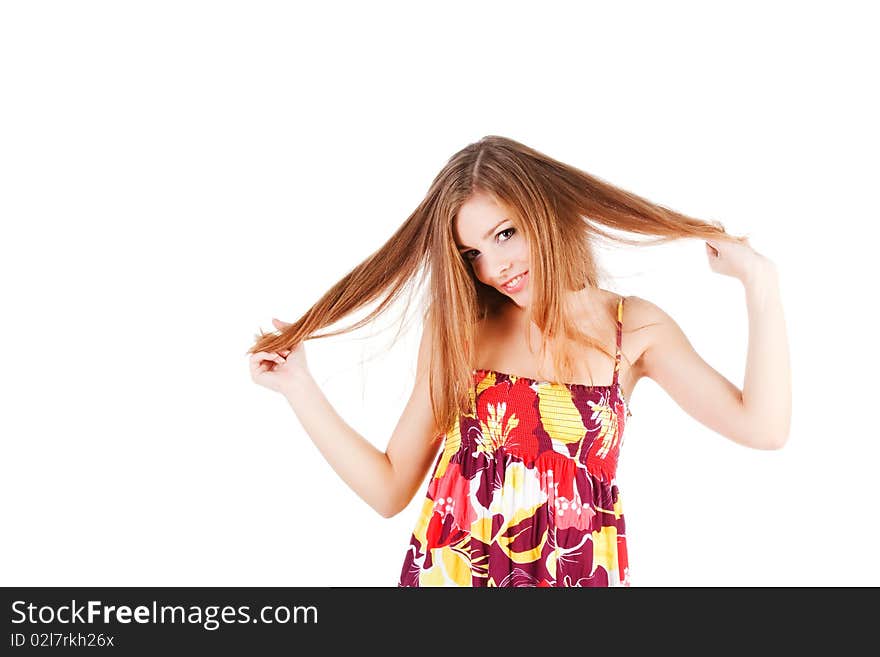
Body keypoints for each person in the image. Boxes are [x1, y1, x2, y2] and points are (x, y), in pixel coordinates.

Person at [246, 135, 791, 587]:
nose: (494, 269)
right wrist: (300, 387)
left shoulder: (633, 331)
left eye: (504, 234)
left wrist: (760, 285)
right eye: (473, 254)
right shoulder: (463, 330)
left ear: (544, 213)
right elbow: (389, 489)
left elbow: (763, 428)